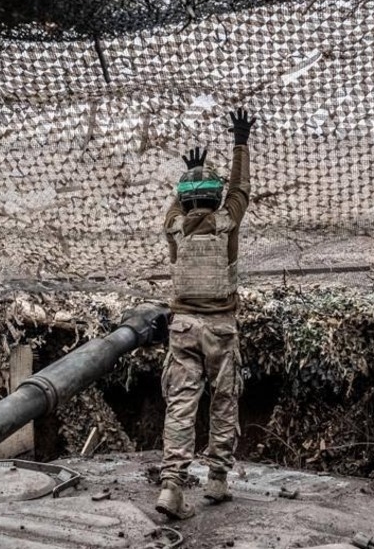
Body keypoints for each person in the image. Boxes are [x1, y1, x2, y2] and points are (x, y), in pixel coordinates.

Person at [156, 107, 256, 520]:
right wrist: (240, 143)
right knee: (224, 401)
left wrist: (189, 175)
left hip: (182, 328)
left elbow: (178, 204)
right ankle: (217, 480)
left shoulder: (174, 227)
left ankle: (171, 487)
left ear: (183, 200)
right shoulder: (227, 221)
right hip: (221, 329)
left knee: (181, 405)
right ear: (216, 198)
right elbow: (241, 188)